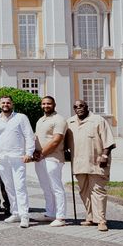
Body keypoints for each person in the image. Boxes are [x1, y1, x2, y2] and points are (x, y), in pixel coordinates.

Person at [66, 99, 116, 232]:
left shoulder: (98, 120)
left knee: (98, 191)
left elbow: (109, 142)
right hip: (79, 163)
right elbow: (64, 143)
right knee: (84, 191)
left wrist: (105, 155)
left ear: (87, 107)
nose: (79, 108)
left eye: (81, 106)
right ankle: (90, 217)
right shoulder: (70, 122)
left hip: (97, 162)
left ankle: (101, 220)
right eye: (76, 107)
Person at [0, 95, 35, 228]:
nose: (5, 104)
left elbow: (29, 135)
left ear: (12, 104)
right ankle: (15, 212)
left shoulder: (21, 118)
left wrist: (29, 153)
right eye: (3, 103)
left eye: (8, 102)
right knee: (8, 186)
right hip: (2, 158)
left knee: (20, 186)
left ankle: (24, 215)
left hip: (18, 157)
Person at [34, 96, 68, 227]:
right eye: (43, 104)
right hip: (40, 158)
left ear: (54, 104)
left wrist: (42, 154)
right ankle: (50, 213)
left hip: (53, 158)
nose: (46, 106)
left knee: (56, 187)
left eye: (48, 104)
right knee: (45, 186)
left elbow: (56, 140)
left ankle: (60, 216)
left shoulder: (59, 120)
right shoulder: (41, 119)